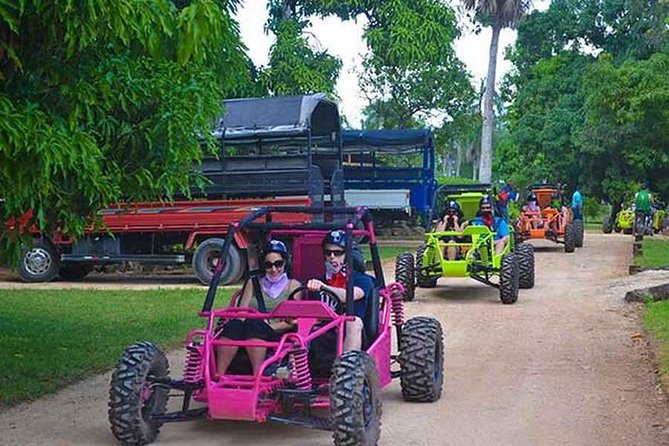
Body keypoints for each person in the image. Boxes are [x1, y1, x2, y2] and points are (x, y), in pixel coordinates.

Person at [216, 240, 301, 376]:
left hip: (277, 331)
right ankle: (218, 375)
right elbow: (242, 312)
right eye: (268, 265)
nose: (273, 269)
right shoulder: (254, 283)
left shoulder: (293, 286)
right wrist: (241, 323)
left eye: (278, 264)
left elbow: (294, 321)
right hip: (250, 326)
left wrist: (266, 325)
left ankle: (257, 375)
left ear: (285, 263)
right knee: (233, 326)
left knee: (255, 324)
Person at [306, 230, 374, 351]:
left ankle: (347, 366)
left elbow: (350, 295)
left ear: (347, 255)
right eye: (328, 253)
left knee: (353, 321)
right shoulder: (318, 281)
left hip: (353, 334)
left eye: (337, 253)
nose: (332, 257)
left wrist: (324, 287)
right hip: (322, 332)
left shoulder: (362, 280)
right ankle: (293, 366)